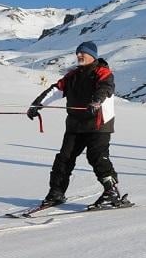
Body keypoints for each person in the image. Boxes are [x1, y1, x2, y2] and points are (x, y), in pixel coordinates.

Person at [26, 41, 130, 209]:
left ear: (92, 56)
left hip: (98, 123)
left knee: (96, 156)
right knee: (64, 158)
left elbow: (105, 87)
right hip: (75, 124)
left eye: (83, 53)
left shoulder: (102, 72)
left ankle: (111, 192)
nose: (79, 56)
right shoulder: (72, 76)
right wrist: (36, 105)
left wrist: (96, 101)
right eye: (78, 53)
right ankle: (56, 193)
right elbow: (55, 90)